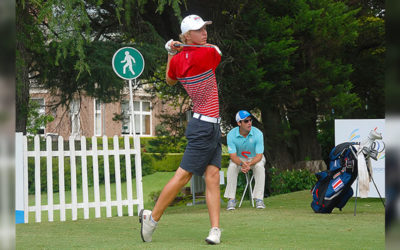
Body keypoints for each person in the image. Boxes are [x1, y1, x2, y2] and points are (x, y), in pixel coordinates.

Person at [139, 14, 223, 244]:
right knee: (183, 176)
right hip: (204, 126)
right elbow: (217, 51)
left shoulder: (178, 60)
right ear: (187, 35)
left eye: (205, 28)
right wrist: (178, 49)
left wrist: (170, 52)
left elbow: (170, 80)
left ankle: (215, 230)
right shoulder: (207, 54)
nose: (204, 33)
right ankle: (152, 219)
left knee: (213, 177)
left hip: (210, 125)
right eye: (198, 30)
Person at [224, 110, 266, 210]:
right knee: (232, 166)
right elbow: (233, 156)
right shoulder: (231, 135)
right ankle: (231, 200)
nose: (249, 123)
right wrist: (242, 164)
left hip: (255, 158)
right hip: (239, 159)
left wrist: (249, 163)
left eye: (250, 120)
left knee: (260, 166)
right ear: (239, 123)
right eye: (246, 121)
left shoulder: (258, 133)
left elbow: (259, 155)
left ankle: (259, 199)